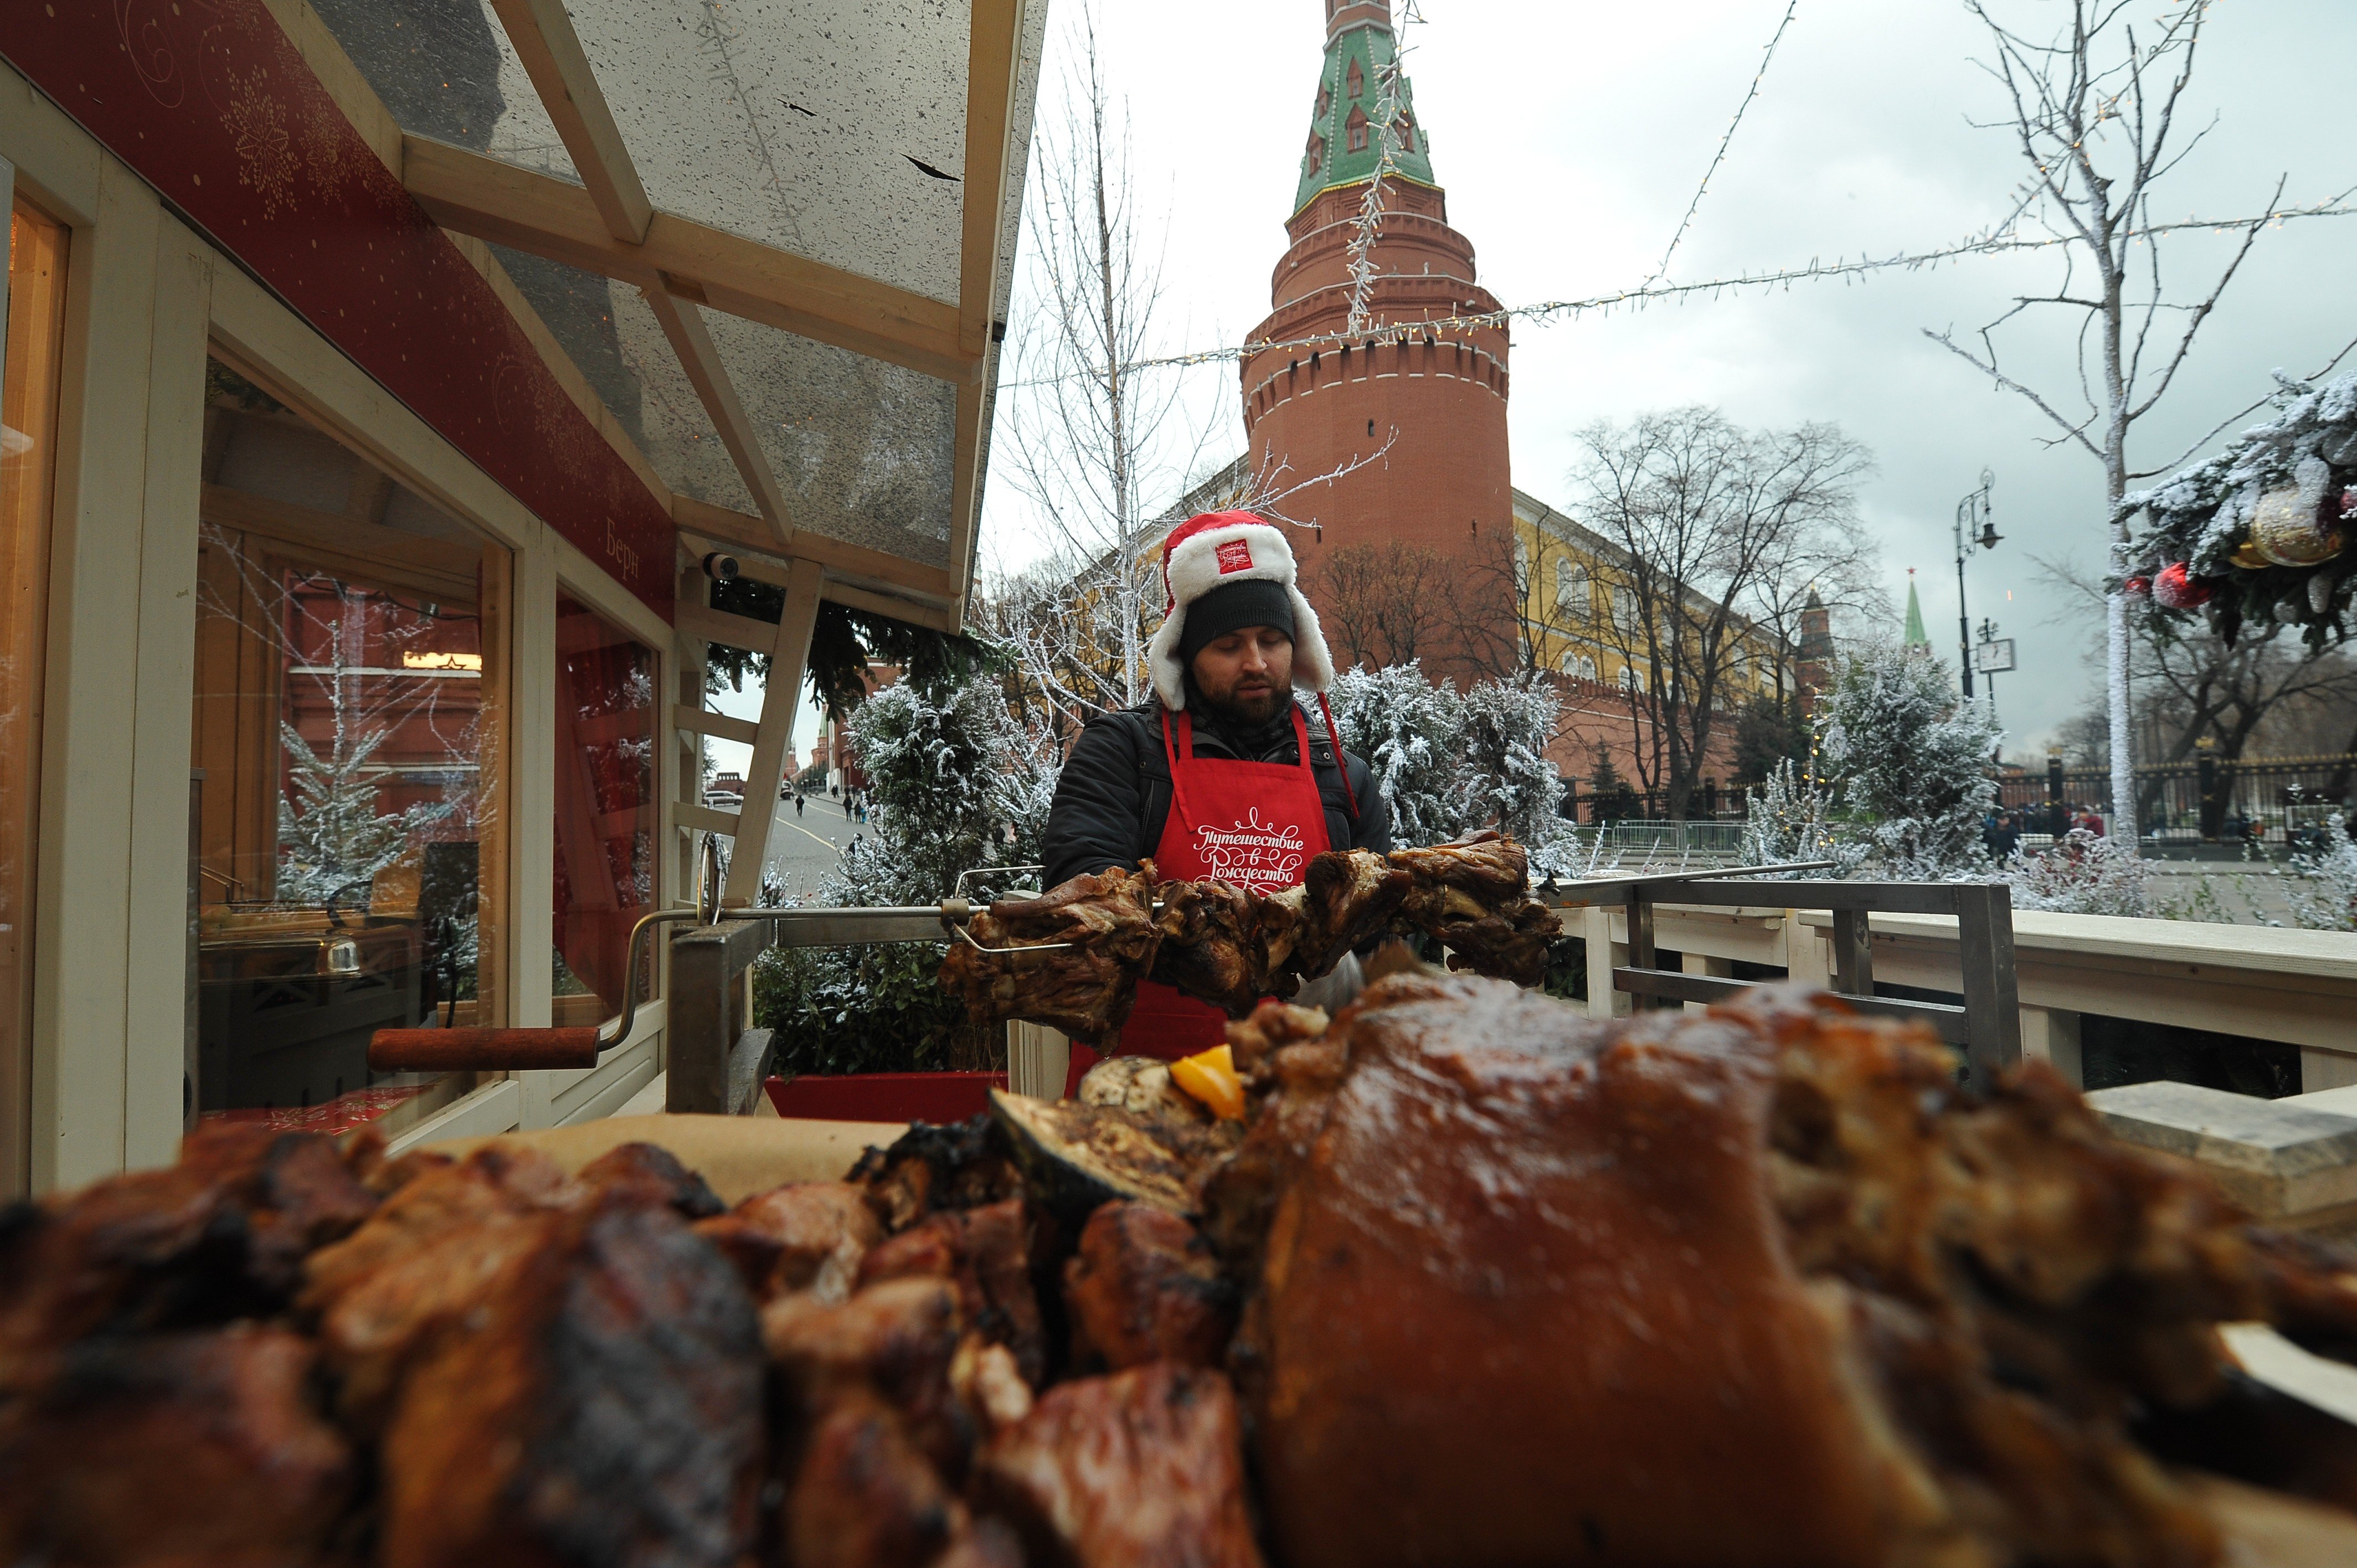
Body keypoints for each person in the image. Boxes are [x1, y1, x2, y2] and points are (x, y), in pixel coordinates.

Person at [1042, 511, 1391, 1093]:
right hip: (1144, 1096)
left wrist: (1345, 967)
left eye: (1271, 640)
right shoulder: (1124, 753)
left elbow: (1381, 933)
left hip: (1300, 1099)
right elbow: (1082, 894)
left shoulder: (1342, 776)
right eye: (1228, 645)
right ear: (1185, 655)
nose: (1255, 662)